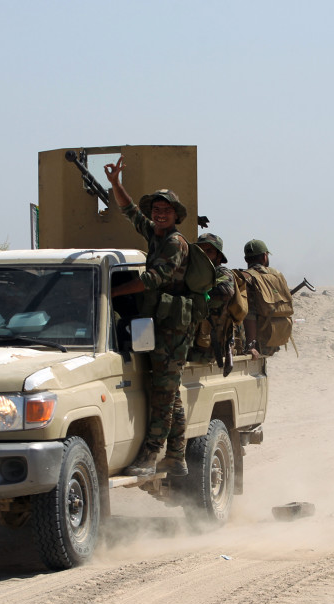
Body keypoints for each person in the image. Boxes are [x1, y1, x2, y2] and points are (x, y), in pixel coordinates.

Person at [104, 157, 195, 477]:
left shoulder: (174, 242)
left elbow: (153, 279)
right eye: (156, 210)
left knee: (163, 392)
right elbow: (131, 212)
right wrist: (116, 185)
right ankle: (178, 455)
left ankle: (152, 454)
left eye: (165, 210)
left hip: (173, 326)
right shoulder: (155, 235)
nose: (158, 214)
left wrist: (112, 292)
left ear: (175, 215)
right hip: (157, 322)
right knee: (168, 391)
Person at [188, 232, 237, 373]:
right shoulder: (192, 272)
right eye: (201, 250)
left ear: (218, 256)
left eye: (209, 251)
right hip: (191, 336)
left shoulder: (221, 271)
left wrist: (200, 293)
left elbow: (226, 291)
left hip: (209, 339)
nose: (204, 254)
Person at [241, 239, 293, 358]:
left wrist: (251, 345)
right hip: (273, 338)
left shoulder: (245, 277)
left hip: (255, 341)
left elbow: (250, 313)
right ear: (265, 257)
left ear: (246, 259)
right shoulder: (277, 275)